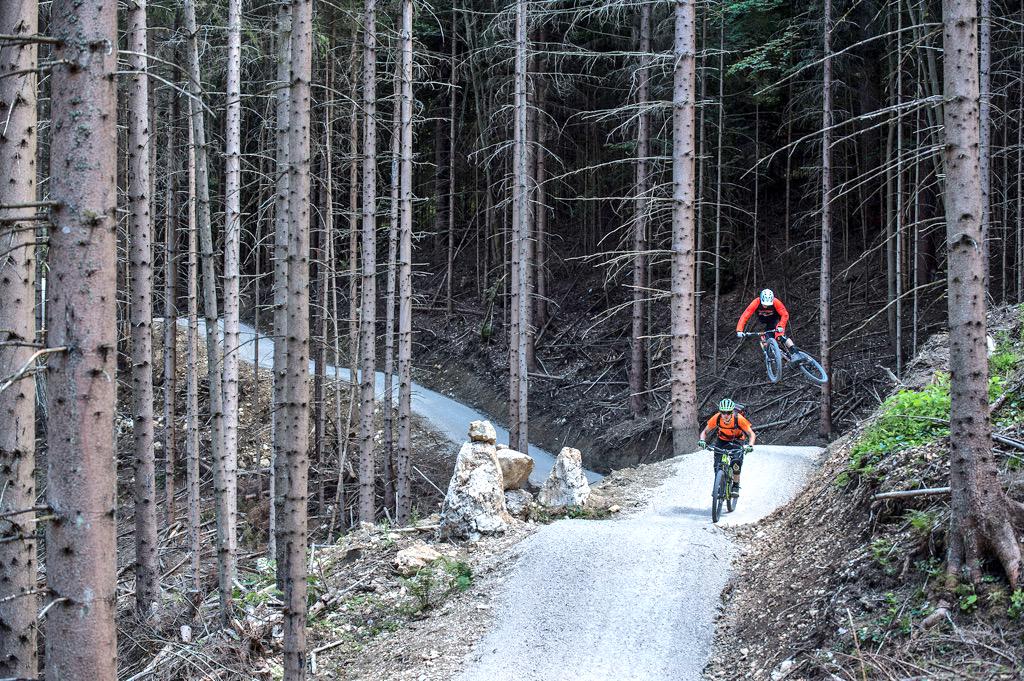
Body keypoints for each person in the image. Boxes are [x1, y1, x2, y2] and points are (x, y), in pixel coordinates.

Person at [698, 398, 755, 497]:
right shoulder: (717, 418)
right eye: (723, 412)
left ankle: (735, 486)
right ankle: (719, 486)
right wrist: (702, 440)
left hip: (737, 440)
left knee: (736, 463)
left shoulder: (739, 419)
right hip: (722, 440)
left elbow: (751, 434)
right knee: (717, 465)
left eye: (728, 412)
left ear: (732, 412)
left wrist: (750, 446)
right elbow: (705, 431)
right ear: (720, 412)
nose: (726, 415)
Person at [736, 288, 801, 355]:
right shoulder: (756, 302)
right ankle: (775, 355)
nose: (766, 306)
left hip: (775, 320)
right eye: (764, 304)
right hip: (763, 322)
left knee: (780, 336)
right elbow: (745, 315)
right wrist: (739, 330)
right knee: (766, 339)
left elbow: (785, 314)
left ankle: (796, 352)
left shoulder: (776, 302)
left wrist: (781, 326)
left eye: (768, 304)